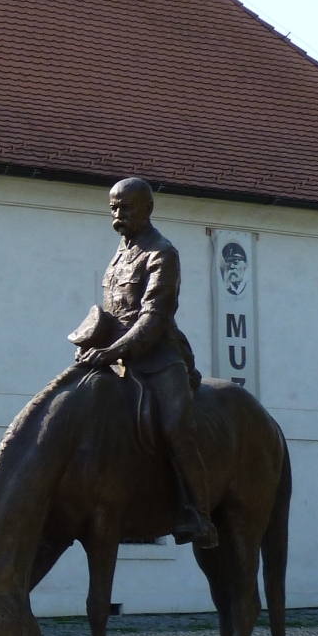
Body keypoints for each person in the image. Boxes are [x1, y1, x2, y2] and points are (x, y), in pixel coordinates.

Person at [74, 178, 216, 548]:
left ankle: (199, 514)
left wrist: (111, 351)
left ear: (147, 208)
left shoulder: (162, 253)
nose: (117, 216)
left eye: (125, 208)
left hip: (159, 356)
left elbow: (153, 318)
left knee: (175, 427)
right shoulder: (120, 254)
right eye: (113, 208)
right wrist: (93, 342)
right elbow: (113, 314)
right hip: (118, 355)